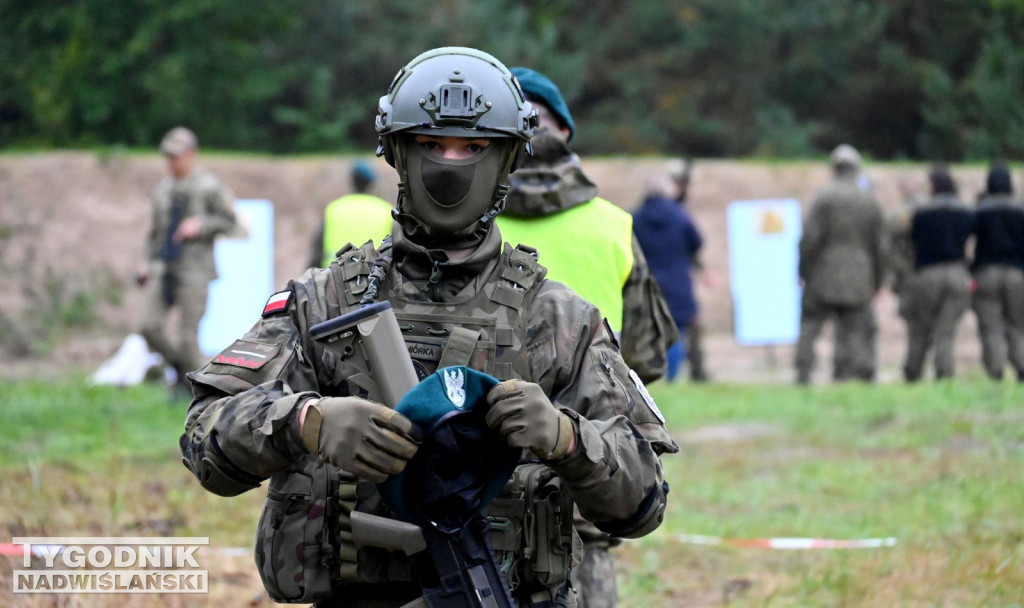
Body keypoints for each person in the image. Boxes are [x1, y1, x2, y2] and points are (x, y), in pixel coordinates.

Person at [180, 47, 677, 608]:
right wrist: (305, 421)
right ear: (396, 151)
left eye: (474, 147)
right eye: (429, 144)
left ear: (508, 158)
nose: (450, 164)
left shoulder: (559, 318)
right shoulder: (324, 301)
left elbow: (643, 502)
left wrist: (567, 438)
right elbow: (204, 439)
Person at [496, 67, 677, 385]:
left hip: (484, 424)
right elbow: (647, 358)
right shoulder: (615, 225)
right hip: (595, 424)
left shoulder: (457, 225)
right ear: (564, 133)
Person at [137, 126, 237, 396]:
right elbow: (154, 233)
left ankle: (208, 393)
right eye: (168, 156)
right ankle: (184, 373)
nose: (172, 162)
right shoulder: (163, 190)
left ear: (192, 154)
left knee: (187, 337)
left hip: (195, 269)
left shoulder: (209, 186)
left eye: (177, 155)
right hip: (164, 266)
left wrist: (201, 225)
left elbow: (231, 221)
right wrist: (147, 262)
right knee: (148, 326)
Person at [794, 144, 886, 384]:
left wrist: (802, 271)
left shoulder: (823, 197)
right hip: (860, 274)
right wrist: (878, 279)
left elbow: (810, 239)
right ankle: (854, 373)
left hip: (822, 273)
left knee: (811, 324)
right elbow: (880, 246)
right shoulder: (869, 200)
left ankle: (803, 372)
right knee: (857, 328)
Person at [900, 165, 975, 381]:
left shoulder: (921, 213)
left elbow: (910, 240)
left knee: (921, 329)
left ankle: (912, 373)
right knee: (947, 330)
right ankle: (944, 372)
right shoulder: (965, 212)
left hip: (927, 274)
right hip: (956, 273)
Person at [632, 172, 704, 384]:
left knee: (647, 333)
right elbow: (697, 243)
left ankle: (648, 379)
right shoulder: (680, 215)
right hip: (677, 281)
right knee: (676, 331)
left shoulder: (635, 218)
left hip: (645, 281)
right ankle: (671, 378)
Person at [971, 163, 1024, 381]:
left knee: (990, 325)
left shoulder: (981, 210)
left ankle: (995, 370)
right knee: (1017, 325)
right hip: (1016, 274)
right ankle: (1021, 365)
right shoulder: (1021, 209)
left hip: (986, 272)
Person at [670, 158, 712, 382]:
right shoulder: (677, 211)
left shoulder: (676, 208)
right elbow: (693, 243)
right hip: (677, 277)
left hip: (675, 274)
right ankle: (697, 372)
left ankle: (696, 371)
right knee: (689, 322)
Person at [308, 161, 394, 268]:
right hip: (375, 279)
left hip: (335, 278)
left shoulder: (334, 209)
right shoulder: (386, 211)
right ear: (371, 183)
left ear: (351, 180)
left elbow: (317, 254)